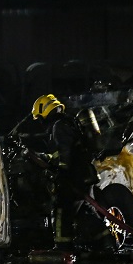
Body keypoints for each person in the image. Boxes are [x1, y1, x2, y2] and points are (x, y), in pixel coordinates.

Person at [30, 93, 98, 250]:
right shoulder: (69, 122)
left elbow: (65, 153)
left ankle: (62, 247)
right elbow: (61, 153)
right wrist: (41, 156)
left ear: (45, 112)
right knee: (82, 210)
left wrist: (62, 173)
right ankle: (105, 242)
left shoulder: (58, 126)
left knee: (62, 210)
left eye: (40, 117)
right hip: (83, 174)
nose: (40, 121)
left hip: (72, 177)